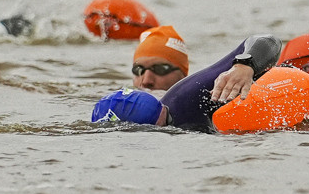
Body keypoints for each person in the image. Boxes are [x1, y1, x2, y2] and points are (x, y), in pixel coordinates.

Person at [92, 29, 282, 132]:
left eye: (160, 69)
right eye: (138, 70)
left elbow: (267, 40)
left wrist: (244, 65)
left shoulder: (187, 97)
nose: (147, 80)